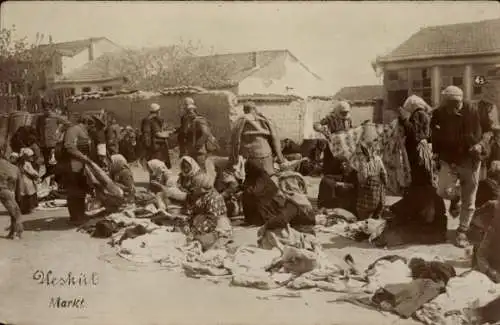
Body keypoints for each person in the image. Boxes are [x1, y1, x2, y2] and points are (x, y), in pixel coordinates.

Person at [431, 85, 497, 248]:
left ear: (460, 101)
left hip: (471, 160)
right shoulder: (439, 113)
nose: (452, 109)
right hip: (450, 159)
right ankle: (455, 198)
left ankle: (462, 231)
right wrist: (436, 152)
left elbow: (489, 132)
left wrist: (481, 145)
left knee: (470, 198)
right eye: (448, 104)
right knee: (443, 191)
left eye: (455, 104)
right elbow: (434, 133)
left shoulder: (475, 110)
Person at [379, 95, 447, 246]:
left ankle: (417, 216)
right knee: (422, 188)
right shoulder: (422, 114)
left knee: (420, 188)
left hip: (419, 160)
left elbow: (416, 135)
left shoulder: (419, 115)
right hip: (419, 159)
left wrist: (404, 120)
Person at [231, 101, 285, 176]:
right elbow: (275, 138)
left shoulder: (239, 120)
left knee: (248, 176)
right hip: (265, 156)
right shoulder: (265, 118)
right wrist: (280, 157)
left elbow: (235, 141)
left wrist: (234, 160)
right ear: (254, 109)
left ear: (244, 110)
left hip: (248, 158)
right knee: (269, 175)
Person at [184, 169, 232, 251]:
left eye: (195, 187)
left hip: (216, 226)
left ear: (202, 187)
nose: (193, 189)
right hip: (201, 225)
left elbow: (212, 221)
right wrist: (187, 224)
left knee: (200, 242)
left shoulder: (214, 197)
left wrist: (195, 230)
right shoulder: (199, 196)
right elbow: (192, 212)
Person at [58, 116, 93, 225]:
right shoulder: (73, 130)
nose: (91, 128)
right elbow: (69, 146)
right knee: (74, 192)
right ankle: (75, 217)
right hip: (71, 166)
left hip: (79, 166)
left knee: (81, 191)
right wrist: (84, 158)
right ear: (86, 123)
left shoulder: (82, 131)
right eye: (91, 125)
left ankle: (80, 214)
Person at [350, 124, 387, 220]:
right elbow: (384, 175)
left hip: (367, 198)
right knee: (376, 220)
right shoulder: (378, 159)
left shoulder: (363, 161)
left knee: (365, 220)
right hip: (378, 197)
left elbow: (362, 178)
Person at [177, 98, 217, 176]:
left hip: (199, 150)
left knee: (200, 170)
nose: (189, 112)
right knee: (191, 170)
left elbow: (206, 133)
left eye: (190, 110)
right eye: (187, 110)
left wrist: (198, 145)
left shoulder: (199, 120)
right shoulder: (185, 119)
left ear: (194, 110)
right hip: (189, 149)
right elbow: (184, 132)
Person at [313, 101, 353, 176]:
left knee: (344, 159)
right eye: (342, 112)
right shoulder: (330, 118)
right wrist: (322, 130)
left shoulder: (348, 119)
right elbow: (316, 125)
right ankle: (328, 174)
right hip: (333, 142)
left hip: (344, 143)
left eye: (345, 112)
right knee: (329, 159)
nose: (344, 114)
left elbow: (350, 129)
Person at [36, 102, 64, 178]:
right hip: (44, 144)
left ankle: (57, 179)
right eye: (45, 110)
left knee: (54, 161)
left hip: (53, 144)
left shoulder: (56, 117)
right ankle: (48, 176)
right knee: (46, 162)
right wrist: (39, 139)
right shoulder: (40, 118)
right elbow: (37, 129)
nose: (47, 111)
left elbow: (65, 124)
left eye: (48, 109)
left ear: (51, 109)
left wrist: (59, 134)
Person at [0, 149, 23, 239]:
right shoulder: (13, 167)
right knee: (14, 211)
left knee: (14, 212)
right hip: (9, 190)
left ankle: (16, 233)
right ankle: (15, 232)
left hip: (3, 189)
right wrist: (19, 197)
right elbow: (19, 185)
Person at [214, 156, 245, 220]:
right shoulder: (224, 174)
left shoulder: (240, 173)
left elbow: (235, 186)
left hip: (236, 197)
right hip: (229, 198)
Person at [141, 103, 171, 168]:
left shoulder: (146, 120)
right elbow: (157, 133)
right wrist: (167, 134)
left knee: (152, 166)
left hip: (150, 147)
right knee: (157, 166)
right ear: (157, 111)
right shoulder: (153, 120)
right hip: (156, 147)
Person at [16, 148, 40, 214]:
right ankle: (29, 208)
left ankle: (24, 209)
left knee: (24, 194)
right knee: (29, 195)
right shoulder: (26, 164)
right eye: (30, 156)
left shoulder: (21, 163)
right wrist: (36, 175)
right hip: (27, 181)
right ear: (26, 157)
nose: (32, 157)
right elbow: (31, 172)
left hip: (23, 180)